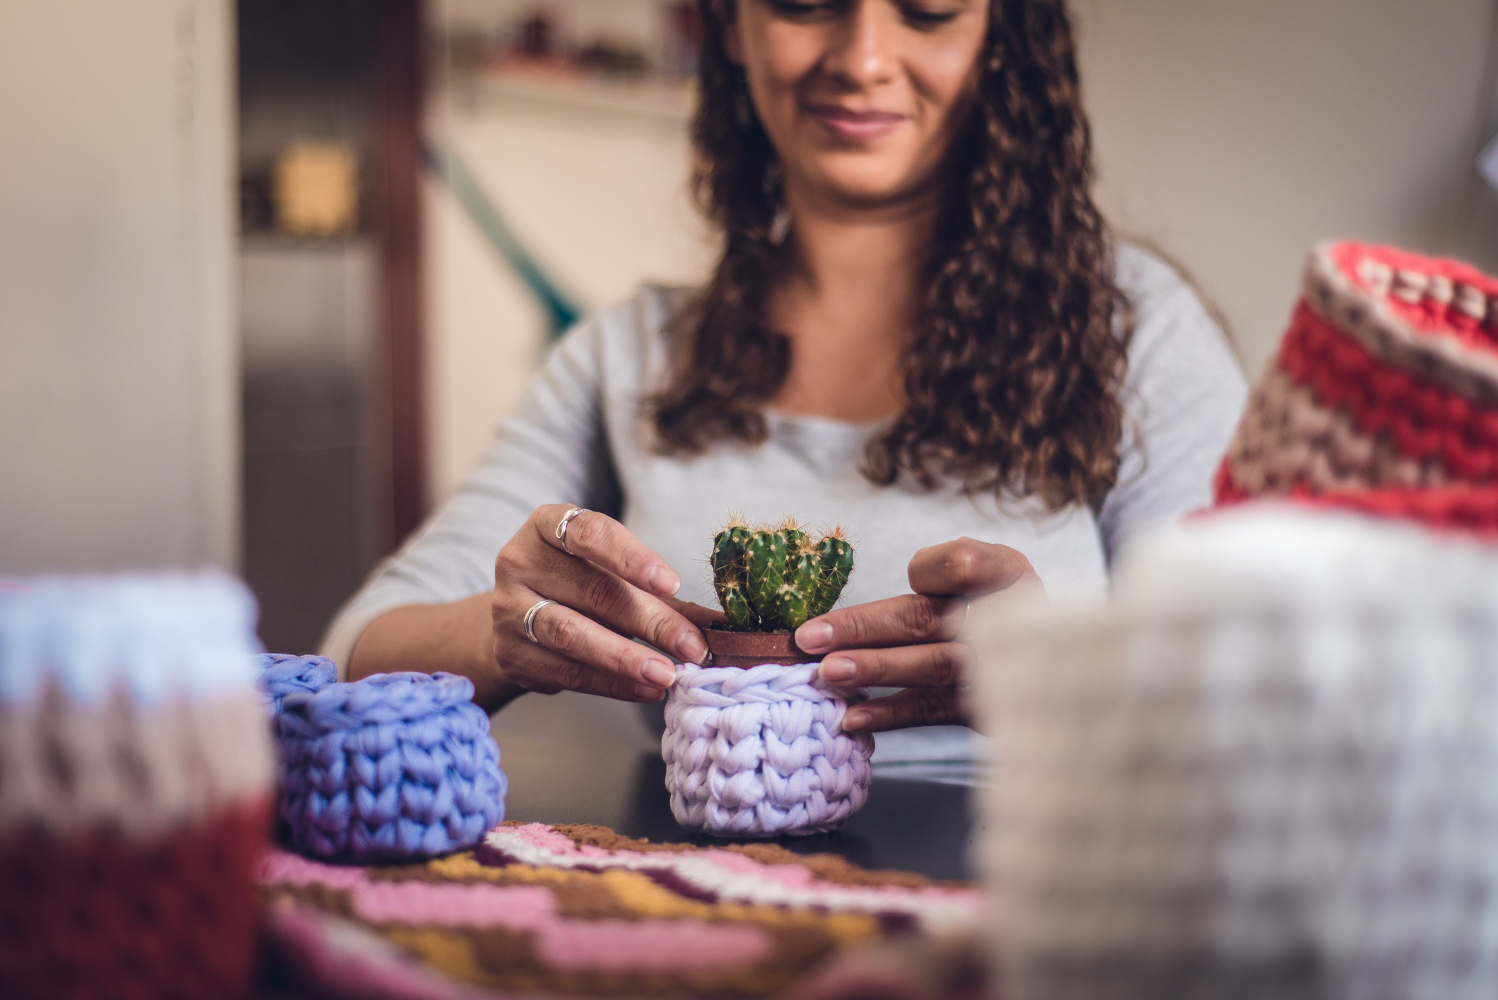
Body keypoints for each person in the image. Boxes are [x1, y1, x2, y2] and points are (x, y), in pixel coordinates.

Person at [323, 0, 1244, 744]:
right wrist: (503, 629)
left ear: (1003, 30)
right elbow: (354, 651)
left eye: (927, 10)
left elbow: (1265, 698)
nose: (862, 55)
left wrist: (1065, 676)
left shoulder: (1137, 331)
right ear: (729, 20)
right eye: (809, 1)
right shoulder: (630, 354)